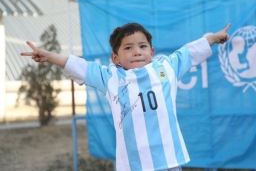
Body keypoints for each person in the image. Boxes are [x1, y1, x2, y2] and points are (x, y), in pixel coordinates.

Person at [21, 23, 230, 171]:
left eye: (142, 46)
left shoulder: (166, 66)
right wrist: (49, 57)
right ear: (115, 57)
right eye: (128, 48)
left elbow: (189, 52)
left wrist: (212, 38)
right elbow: (79, 66)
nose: (137, 51)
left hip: (168, 159)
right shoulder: (110, 77)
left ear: (152, 51)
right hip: (134, 163)